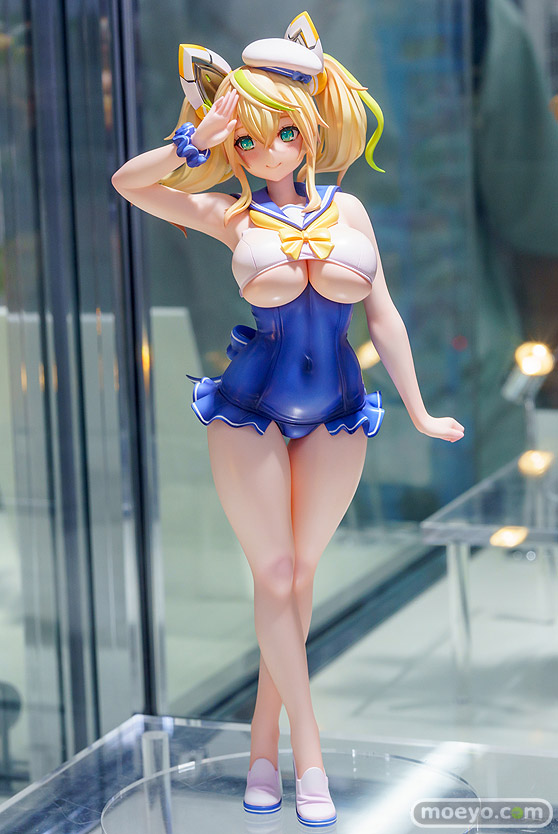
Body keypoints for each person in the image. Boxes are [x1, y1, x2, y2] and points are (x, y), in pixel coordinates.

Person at [111, 12, 464, 827]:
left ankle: (260, 748)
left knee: (300, 579)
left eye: (283, 133)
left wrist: (419, 409)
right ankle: (310, 757)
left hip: (338, 410)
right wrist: (198, 140)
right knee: (274, 576)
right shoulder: (229, 216)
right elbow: (130, 183)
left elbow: (384, 317)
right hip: (250, 414)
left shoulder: (352, 212)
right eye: (249, 140)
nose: (266, 151)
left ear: (308, 130)